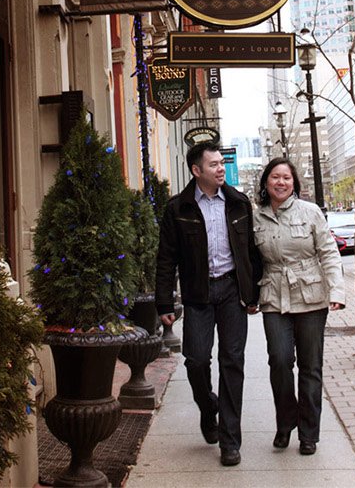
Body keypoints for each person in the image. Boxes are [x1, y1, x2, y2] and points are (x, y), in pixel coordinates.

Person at [156, 141, 261, 467]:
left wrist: (253, 293)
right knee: (196, 360)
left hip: (231, 292)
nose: (220, 168)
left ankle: (230, 440)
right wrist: (164, 303)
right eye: (213, 164)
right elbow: (165, 260)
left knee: (233, 363)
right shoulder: (178, 208)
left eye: (221, 163)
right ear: (196, 170)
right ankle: (207, 405)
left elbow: (252, 252)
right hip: (198, 294)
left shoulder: (238, 202)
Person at [252, 158, 345, 456]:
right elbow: (248, 260)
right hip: (272, 296)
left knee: (310, 367)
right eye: (275, 177)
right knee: (279, 362)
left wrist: (337, 290)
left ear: (294, 183)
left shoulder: (311, 212)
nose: (281, 182)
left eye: (286, 178)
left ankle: (308, 433)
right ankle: (285, 421)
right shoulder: (256, 218)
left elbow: (328, 252)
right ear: (266, 182)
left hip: (311, 296)